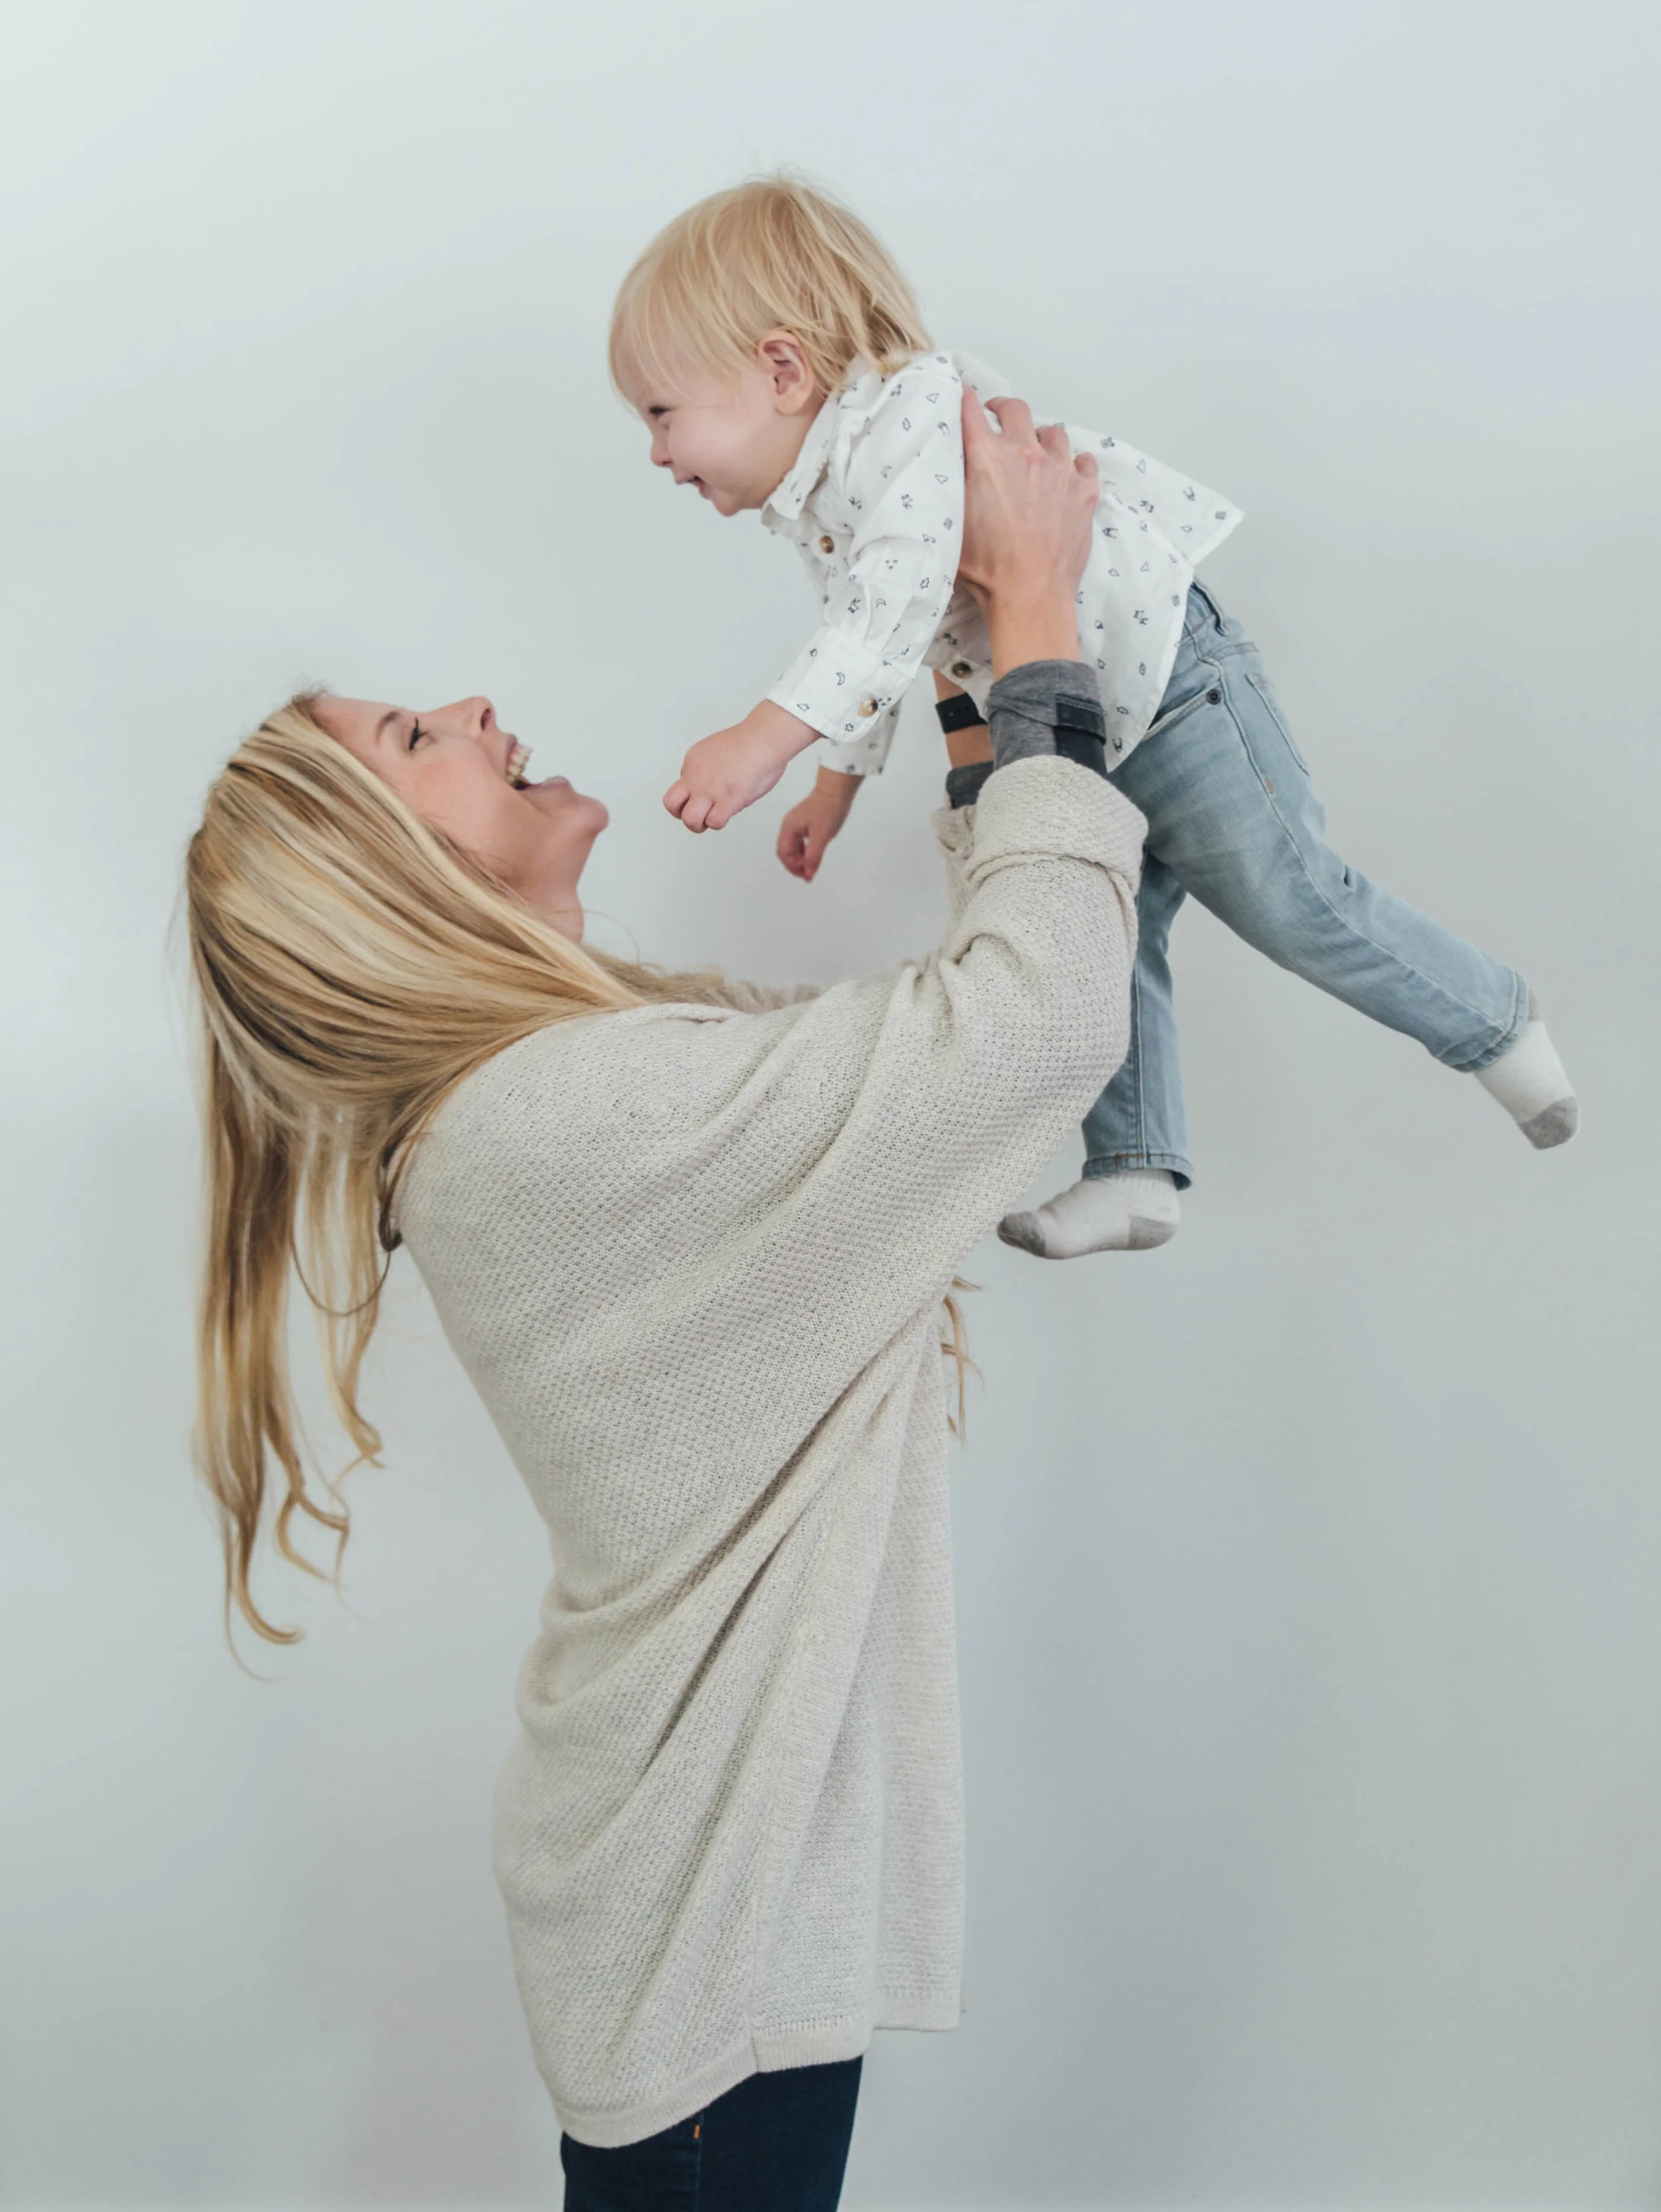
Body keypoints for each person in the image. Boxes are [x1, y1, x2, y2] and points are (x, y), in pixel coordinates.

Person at [185, 390, 1143, 2207]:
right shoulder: (564, 1121)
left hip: (695, 1888)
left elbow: (944, 1059)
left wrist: (957, 689)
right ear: (389, 874)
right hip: (707, 1918)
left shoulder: (596, 1065)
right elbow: (1031, 1026)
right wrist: (1033, 614)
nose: (472, 707)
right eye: (417, 735)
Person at [609, 174, 1579, 1261]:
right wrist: (830, 783)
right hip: (1079, 718)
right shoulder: (824, 497)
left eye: (660, 412)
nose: (655, 452)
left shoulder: (914, 413)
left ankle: (1493, 1019)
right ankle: (1134, 1169)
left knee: (1285, 892)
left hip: (1168, 681)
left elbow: (887, 609)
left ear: (782, 368)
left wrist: (761, 736)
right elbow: (878, 638)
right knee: (1104, 942)